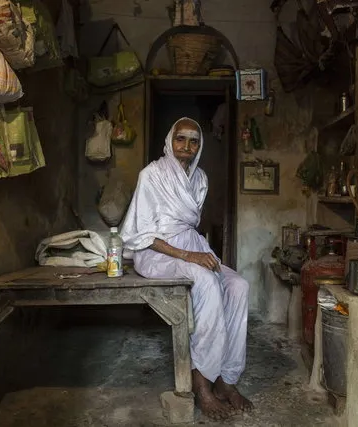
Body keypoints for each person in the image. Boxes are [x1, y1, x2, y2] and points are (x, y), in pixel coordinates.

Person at [120, 117, 253, 420]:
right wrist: (187, 256)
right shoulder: (151, 175)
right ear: (170, 140)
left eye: (194, 141)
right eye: (181, 139)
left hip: (192, 246)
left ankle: (226, 380)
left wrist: (194, 253)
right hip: (156, 251)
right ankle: (202, 383)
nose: (187, 146)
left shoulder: (201, 178)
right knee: (206, 281)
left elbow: (189, 225)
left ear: (199, 146)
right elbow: (140, 234)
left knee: (238, 285)